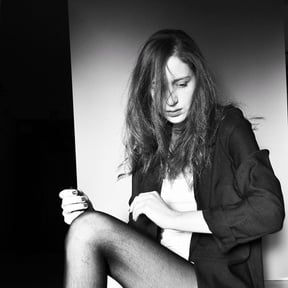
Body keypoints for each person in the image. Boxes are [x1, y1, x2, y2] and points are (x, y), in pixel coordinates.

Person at [59, 29, 285, 288]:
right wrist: (89, 216)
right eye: (158, 87)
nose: (171, 100)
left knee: (88, 231)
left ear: (198, 81)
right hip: (160, 274)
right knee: (85, 229)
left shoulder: (229, 127)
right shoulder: (150, 143)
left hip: (215, 279)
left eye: (181, 83)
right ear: (147, 91)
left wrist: (172, 218)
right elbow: (143, 233)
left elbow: (270, 211)